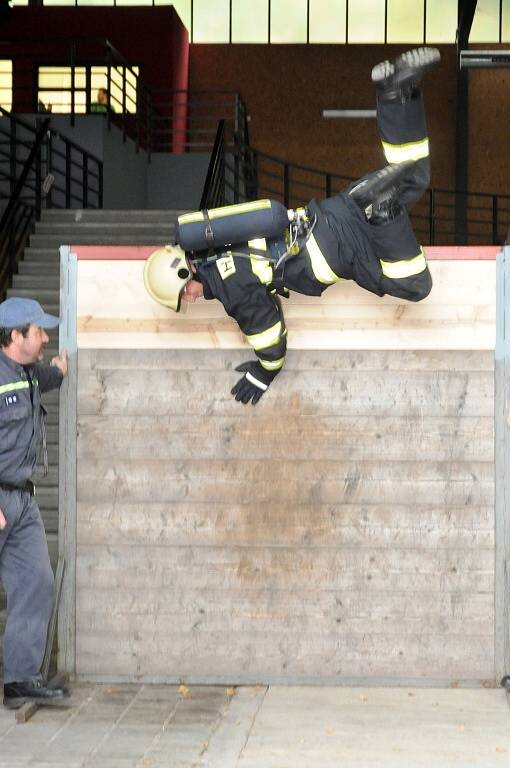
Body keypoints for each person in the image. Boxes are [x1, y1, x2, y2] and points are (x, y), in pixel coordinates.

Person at [144, 47, 440, 405]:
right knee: (414, 177)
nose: (190, 300)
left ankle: (382, 212)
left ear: (184, 278)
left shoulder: (229, 285)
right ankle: (397, 93)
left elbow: (268, 333)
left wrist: (263, 371)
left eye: (184, 296)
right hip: (331, 212)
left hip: (333, 252)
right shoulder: (214, 242)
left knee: (414, 284)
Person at [0, 298, 69, 709]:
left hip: (21, 501)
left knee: (36, 582)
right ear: (14, 336)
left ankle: (20, 678)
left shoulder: (28, 374)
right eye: (38, 331)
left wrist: (62, 367)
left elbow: (50, 376)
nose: (45, 337)